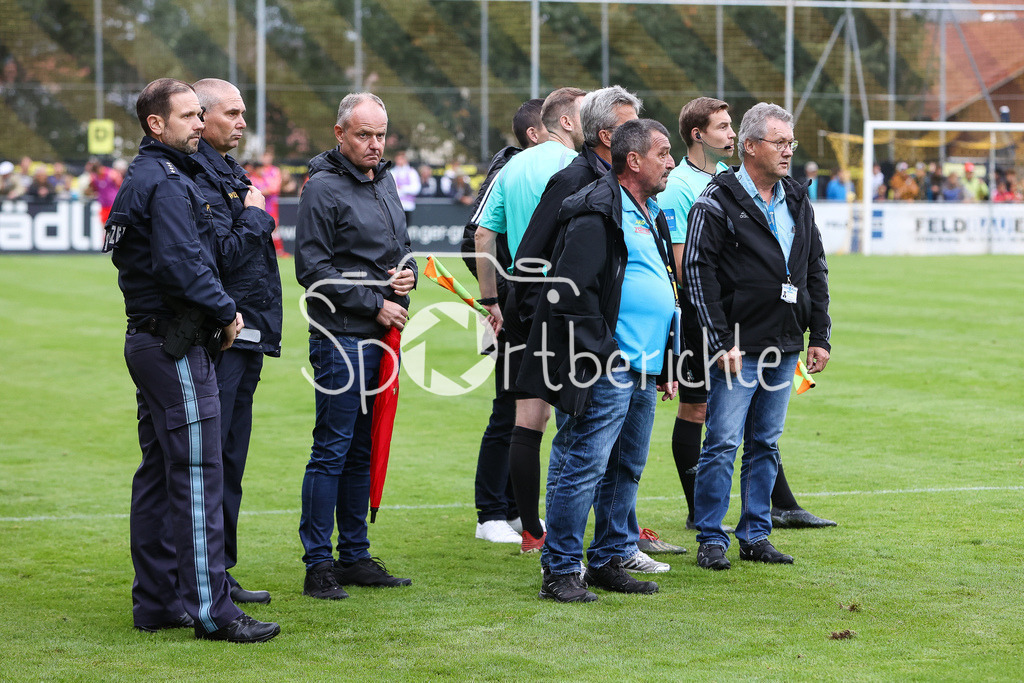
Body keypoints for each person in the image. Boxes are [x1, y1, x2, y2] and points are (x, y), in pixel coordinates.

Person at [105, 78, 280, 642]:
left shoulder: (155, 175)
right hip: (174, 341)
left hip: (154, 339)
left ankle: (156, 601)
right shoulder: (165, 179)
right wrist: (227, 312)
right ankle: (213, 611)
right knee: (199, 472)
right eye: (188, 116)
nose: (199, 125)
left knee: (159, 473)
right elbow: (184, 263)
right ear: (156, 124)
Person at [512, 85, 685, 564]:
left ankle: (613, 554)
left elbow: (663, 285)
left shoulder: (651, 211)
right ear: (628, 156)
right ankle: (562, 566)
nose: (671, 163)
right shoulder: (590, 200)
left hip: (645, 364)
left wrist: (667, 356)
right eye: (663, 153)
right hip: (606, 361)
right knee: (582, 461)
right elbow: (562, 284)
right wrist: (592, 351)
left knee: (626, 466)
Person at [659, 98, 835, 534]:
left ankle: (756, 534)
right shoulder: (715, 201)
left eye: (791, 142)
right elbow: (697, 276)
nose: (788, 150)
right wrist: (719, 340)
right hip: (736, 346)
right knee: (721, 443)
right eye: (779, 142)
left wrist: (820, 334)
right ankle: (710, 537)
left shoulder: (796, 196)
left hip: (785, 340)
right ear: (752, 147)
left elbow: (814, 265)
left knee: (765, 443)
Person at [294, 92, 417, 599]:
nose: (374, 143)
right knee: (334, 447)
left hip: (379, 335)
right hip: (341, 335)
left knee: (363, 447)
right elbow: (312, 270)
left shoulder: (384, 179)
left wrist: (407, 276)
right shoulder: (322, 189)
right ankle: (318, 564)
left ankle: (356, 555)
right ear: (339, 133)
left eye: (381, 134)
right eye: (364, 134)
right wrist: (374, 303)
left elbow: (400, 250)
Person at [474, 86, 587, 553]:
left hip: (520, 300)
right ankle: (577, 529)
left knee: (525, 416)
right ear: (566, 121)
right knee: (583, 416)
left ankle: (531, 533)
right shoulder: (577, 167)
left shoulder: (512, 166)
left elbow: (482, 236)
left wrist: (491, 300)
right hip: (569, 298)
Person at [192, 78, 283, 606]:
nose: (242, 122)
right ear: (200, 117)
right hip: (222, 337)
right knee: (212, 459)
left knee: (231, 458)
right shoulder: (198, 177)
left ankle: (219, 572)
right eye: (232, 112)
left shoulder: (228, 171)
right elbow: (220, 256)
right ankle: (206, 578)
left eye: (243, 112)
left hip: (248, 336)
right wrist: (255, 215)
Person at [460, 98, 546, 545]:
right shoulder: (509, 172)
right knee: (508, 407)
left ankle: (515, 510)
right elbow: (472, 239)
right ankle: (489, 512)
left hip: (528, 306)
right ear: (535, 134)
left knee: (528, 409)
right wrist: (500, 299)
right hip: (515, 309)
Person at [391, 150, 421, 223]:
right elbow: (391, 189)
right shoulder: (392, 172)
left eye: (401, 159)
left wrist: (402, 188)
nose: (399, 161)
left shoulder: (412, 172)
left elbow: (416, 188)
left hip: (408, 206)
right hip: (395, 206)